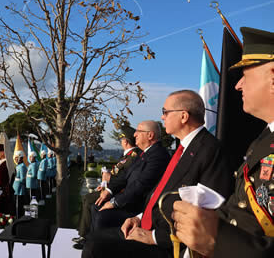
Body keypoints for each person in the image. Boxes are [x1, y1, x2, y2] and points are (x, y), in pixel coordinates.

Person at [82, 90, 234, 257]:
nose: (162, 117)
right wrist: (139, 218)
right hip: (149, 224)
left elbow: (207, 219)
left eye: (165, 112)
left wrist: (154, 237)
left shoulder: (210, 151)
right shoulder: (184, 149)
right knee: (93, 239)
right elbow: (160, 193)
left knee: (95, 247)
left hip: (168, 243)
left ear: (183, 116)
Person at [172, 27, 274, 258]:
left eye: (245, 75)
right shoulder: (262, 140)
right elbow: (240, 212)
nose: (237, 85)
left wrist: (218, 241)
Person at [74, 120, 170, 250]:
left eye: (138, 131)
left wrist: (114, 202)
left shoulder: (158, 156)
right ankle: (92, 244)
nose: (135, 134)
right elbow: (124, 177)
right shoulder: (144, 153)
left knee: (102, 214)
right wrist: (109, 191)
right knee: (96, 207)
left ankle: (98, 248)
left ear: (150, 135)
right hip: (130, 200)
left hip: (139, 207)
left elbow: (140, 186)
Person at [72, 124, 141, 246]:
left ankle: (85, 236)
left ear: (126, 141)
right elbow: (119, 174)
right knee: (87, 198)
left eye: (122, 139)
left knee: (88, 200)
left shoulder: (133, 157)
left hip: (119, 193)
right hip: (114, 189)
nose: (121, 141)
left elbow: (123, 178)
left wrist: (109, 182)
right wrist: (106, 183)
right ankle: (83, 233)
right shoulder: (127, 156)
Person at [13, 150, 27, 218]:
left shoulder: (22, 166)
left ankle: (19, 218)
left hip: (19, 189)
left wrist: (17, 180)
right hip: (16, 188)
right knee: (16, 205)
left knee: (18, 206)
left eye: (16, 157)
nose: (15, 159)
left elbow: (22, 179)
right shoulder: (18, 166)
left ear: (20, 158)